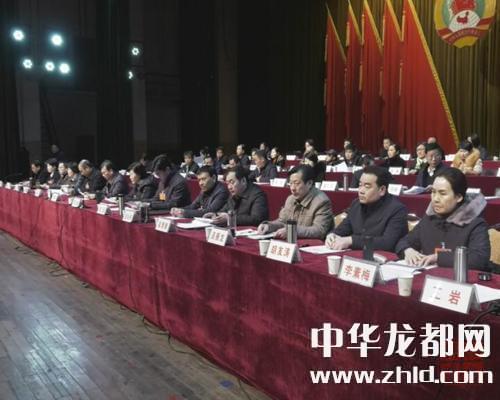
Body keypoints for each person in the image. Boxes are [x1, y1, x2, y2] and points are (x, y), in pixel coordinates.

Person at [395, 168, 490, 270]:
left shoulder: (475, 223)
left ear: (458, 197)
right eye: (433, 192)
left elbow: (479, 259)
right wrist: (407, 250)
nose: (435, 199)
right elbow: (404, 242)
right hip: (430, 276)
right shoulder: (429, 218)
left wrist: (438, 258)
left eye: (442, 193)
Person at [326, 166, 408, 251]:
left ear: (382, 190)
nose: (361, 191)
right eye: (360, 185)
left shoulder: (397, 209)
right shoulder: (356, 204)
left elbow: (387, 243)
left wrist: (351, 240)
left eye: (367, 186)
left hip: (381, 256)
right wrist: (332, 235)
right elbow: (343, 229)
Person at [257, 165, 333, 240]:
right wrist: (269, 226)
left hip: (313, 244)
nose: (292, 188)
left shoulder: (321, 201)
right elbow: (282, 221)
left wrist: (292, 231)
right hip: (293, 242)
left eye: (297, 183)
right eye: (290, 183)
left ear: (309, 183)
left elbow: (319, 231)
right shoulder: (290, 199)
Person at [204, 166, 268, 226]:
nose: (229, 187)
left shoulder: (258, 195)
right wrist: (216, 215)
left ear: (243, 181)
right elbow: (225, 210)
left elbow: (256, 219)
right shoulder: (235, 193)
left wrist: (230, 218)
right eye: (227, 183)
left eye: (232, 182)